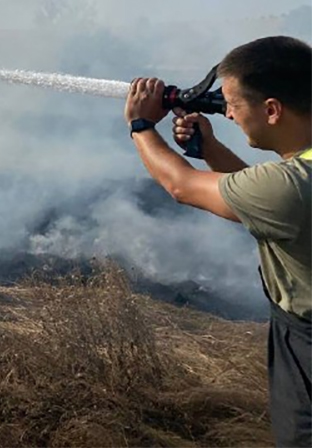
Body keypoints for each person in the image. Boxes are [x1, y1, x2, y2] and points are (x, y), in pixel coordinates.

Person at [124, 35, 311, 448]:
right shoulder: (299, 176)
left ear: (272, 109)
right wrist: (209, 148)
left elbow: (181, 186)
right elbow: (269, 203)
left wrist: (140, 126)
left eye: (232, 104)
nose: (226, 113)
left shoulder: (291, 187)